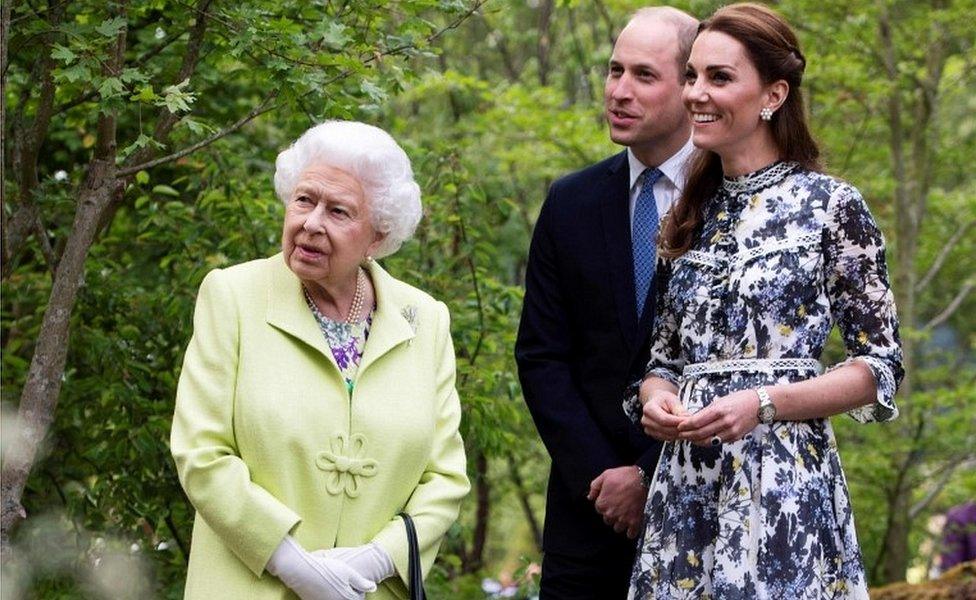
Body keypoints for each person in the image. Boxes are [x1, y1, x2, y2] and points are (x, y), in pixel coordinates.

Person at [625, 3, 904, 598]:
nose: (697, 93)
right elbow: (663, 361)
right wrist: (657, 400)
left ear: (773, 94)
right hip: (685, 492)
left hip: (784, 488)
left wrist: (765, 402)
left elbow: (878, 368)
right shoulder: (688, 213)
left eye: (719, 78)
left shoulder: (832, 206)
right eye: (693, 76)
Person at [170, 120, 470, 600]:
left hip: (369, 590)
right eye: (304, 199)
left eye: (338, 211)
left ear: (377, 236)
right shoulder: (233, 296)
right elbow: (201, 454)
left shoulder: (425, 320)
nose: (310, 223)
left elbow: (445, 478)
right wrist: (292, 563)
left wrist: (376, 558)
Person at [515, 7, 698, 598]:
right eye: (614, 70)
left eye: (644, 76)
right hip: (584, 520)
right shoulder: (569, 201)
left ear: (690, 85)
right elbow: (542, 356)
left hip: (703, 513)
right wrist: (606, 478)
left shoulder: (734, 202)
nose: (619, 91)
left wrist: (648, 474)